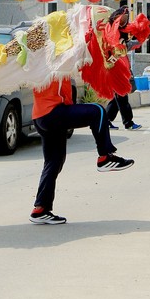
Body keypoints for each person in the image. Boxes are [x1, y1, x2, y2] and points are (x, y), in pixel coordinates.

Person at [29, 77, 134, 225]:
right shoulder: (53, 58)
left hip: (40, 116)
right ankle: (105, 157)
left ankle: (40, 209)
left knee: (54, 162)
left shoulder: (37, 62)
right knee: (97, 111)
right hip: (53, 112)